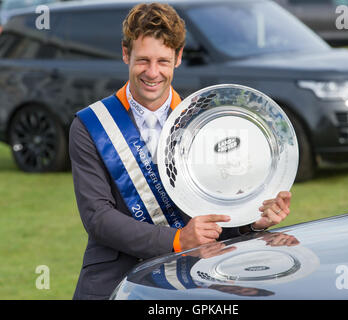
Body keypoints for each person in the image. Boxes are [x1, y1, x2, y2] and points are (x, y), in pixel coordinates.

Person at [69, 2, 292, 300]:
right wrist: (177, 238)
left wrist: (252, 220)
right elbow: (98, 218)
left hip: (192, 281)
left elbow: (217, 210)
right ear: (125, 55)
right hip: (113, 280)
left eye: (162, 61)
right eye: (143, 60)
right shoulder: (91, 125)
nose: (152, 72)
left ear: (178, 58)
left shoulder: (201, 123)